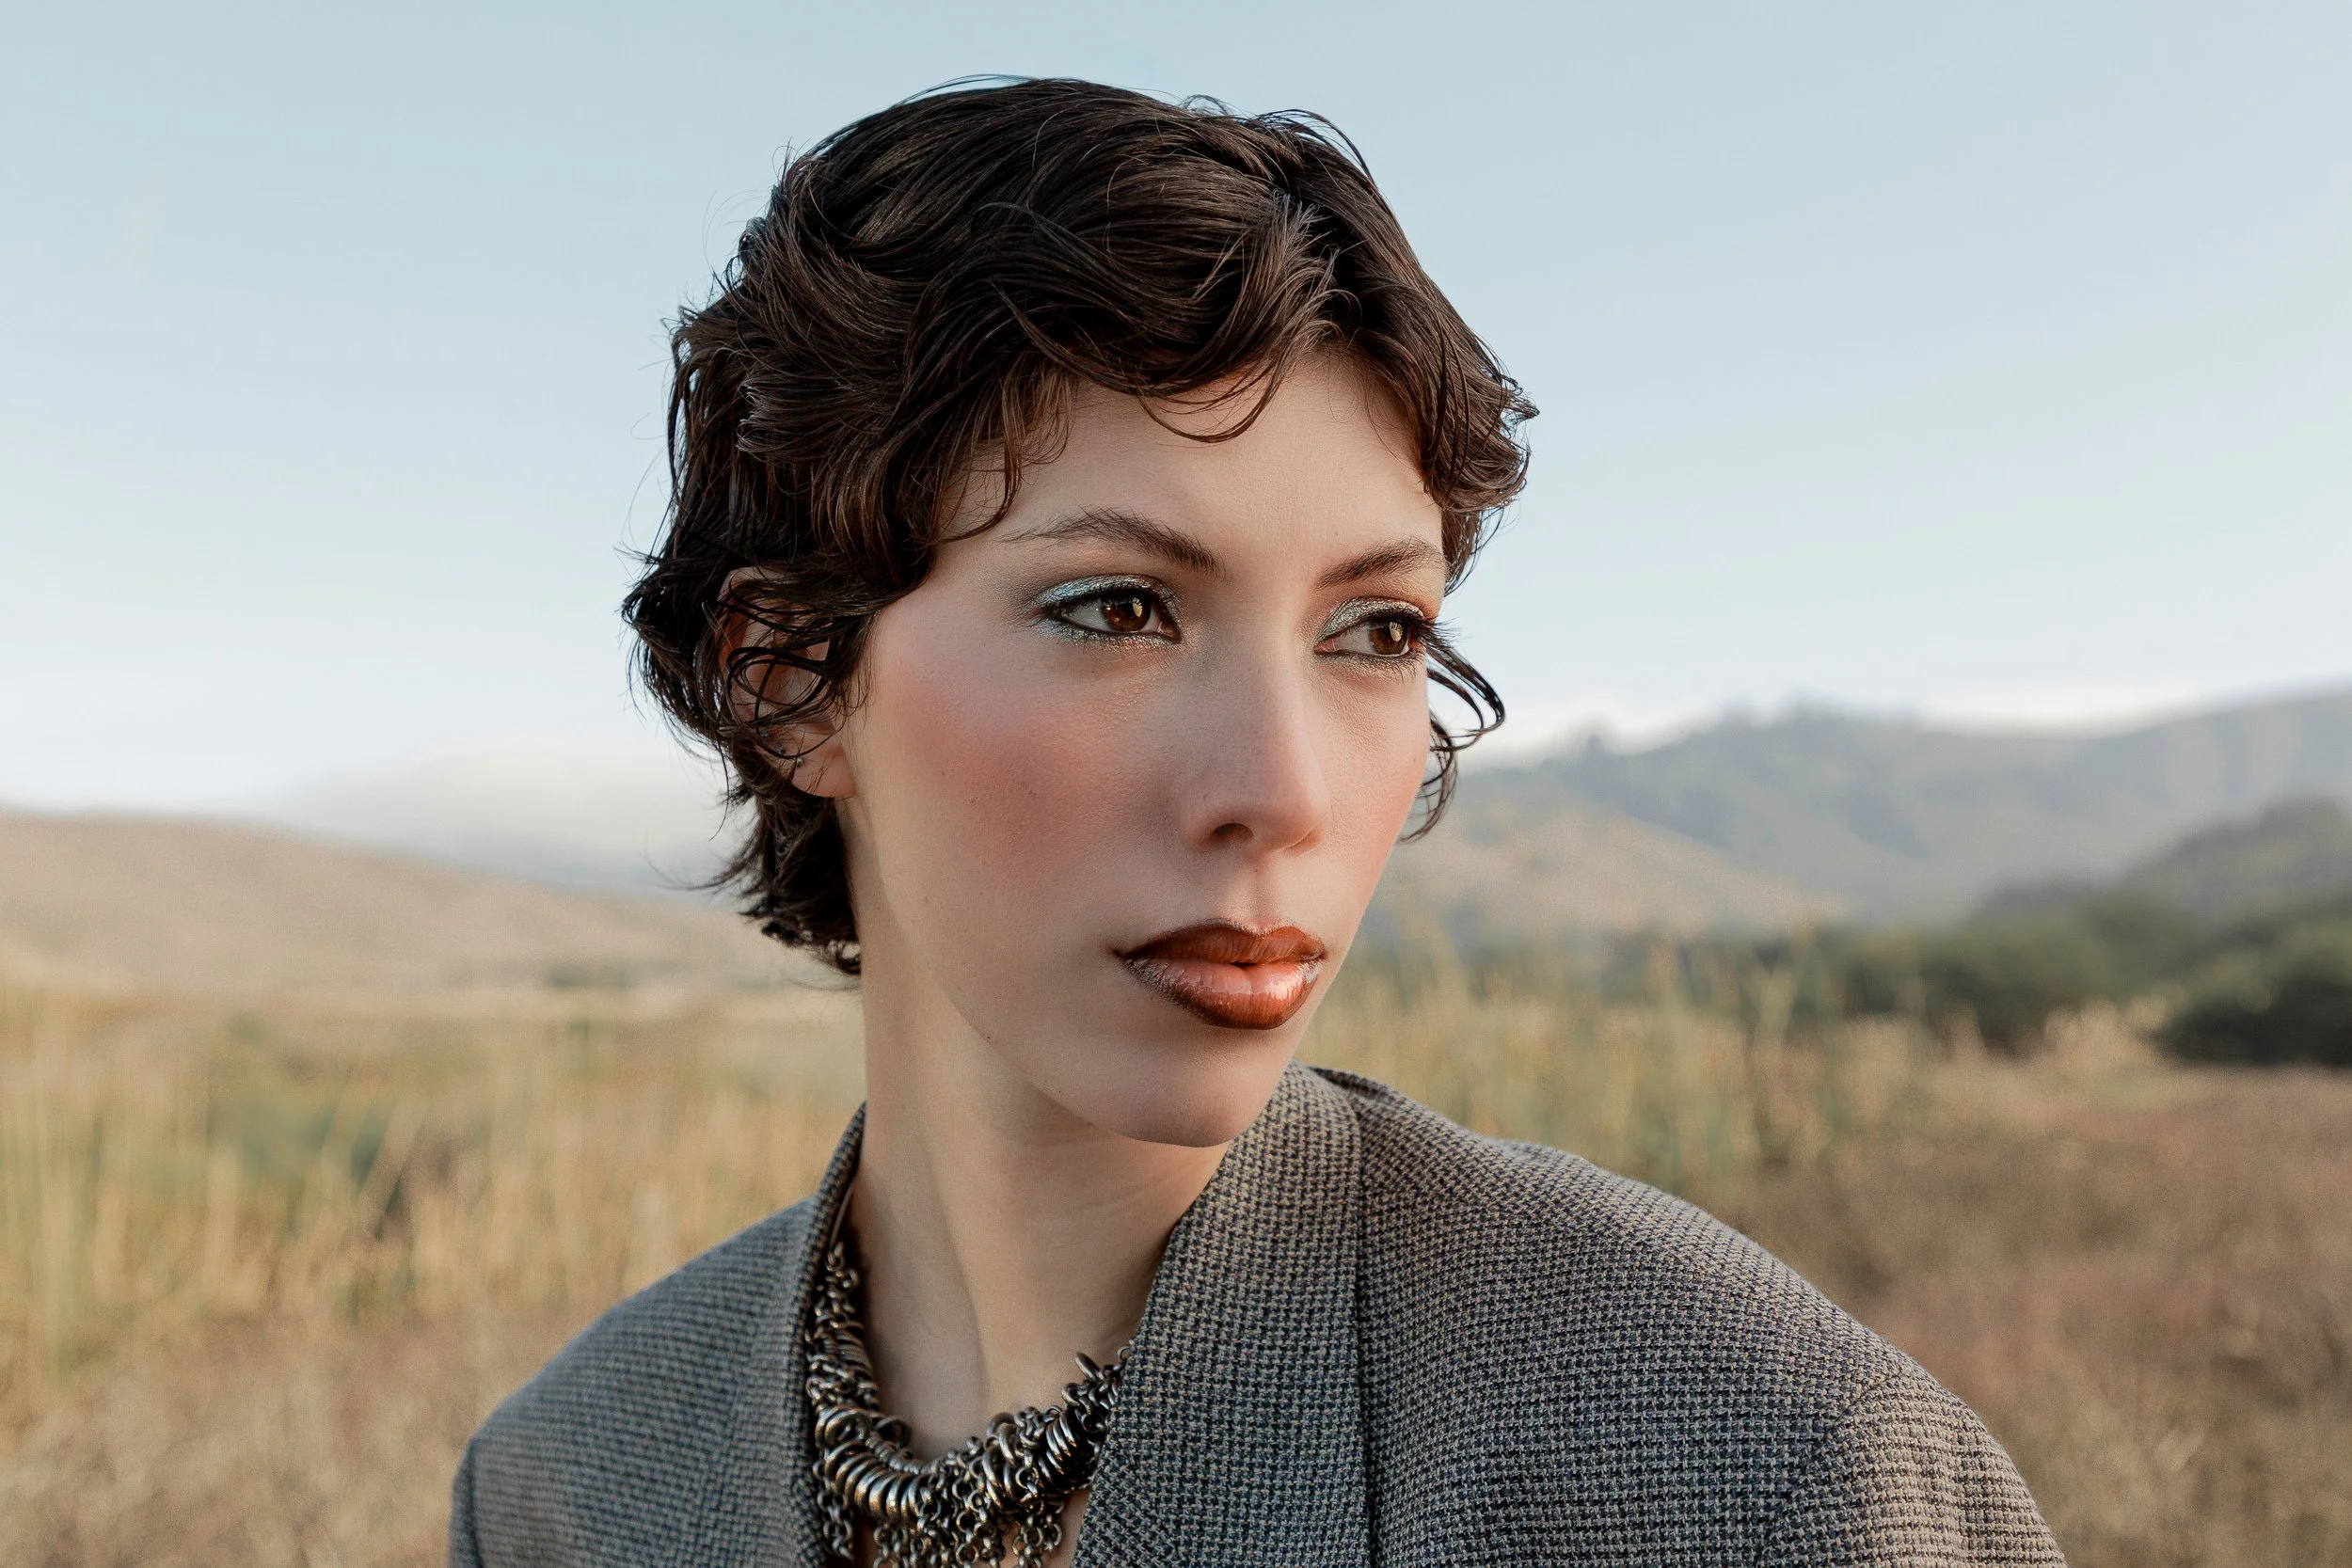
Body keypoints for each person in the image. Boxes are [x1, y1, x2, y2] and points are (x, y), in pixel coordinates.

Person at [449, 79, 2061, 1567]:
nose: (1285, 790)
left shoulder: (1760, 1475)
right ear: (790, 678)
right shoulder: (564, 1491)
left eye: (1375, 631)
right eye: (1118, 606)